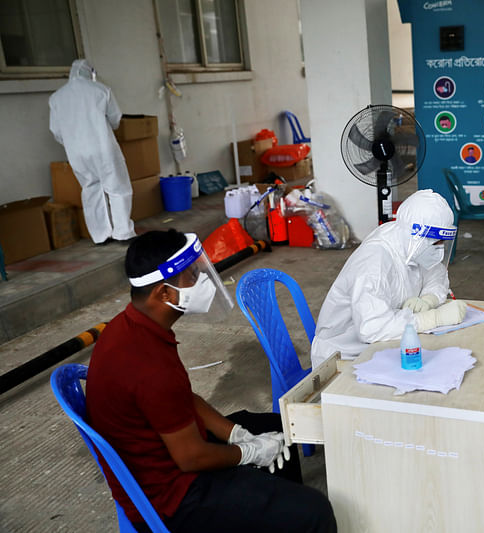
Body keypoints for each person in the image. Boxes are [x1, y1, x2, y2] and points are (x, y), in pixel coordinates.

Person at [86, 229, 336, 532]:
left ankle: (278, 509)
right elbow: (192, 457)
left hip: (164, 456)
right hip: (172, 497)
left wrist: (236, 434)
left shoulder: (132, 328)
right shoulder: (147, 365)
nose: (202, 280)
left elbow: (183, 399)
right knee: (314, 511)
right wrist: (249, 452)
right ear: (163, 294)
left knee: (274, 428)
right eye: (191, 275)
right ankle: (287, 511)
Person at [310, 189, 467, 368]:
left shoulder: (410, 243)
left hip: (383, 346)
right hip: (342, 358)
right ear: (416, 236)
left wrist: (429, 299)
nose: (439, 248)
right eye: (435, 243)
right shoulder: (375, 261)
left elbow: (436, 274)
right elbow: (372, 328)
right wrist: (432, 319)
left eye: (442, 243)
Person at [49, 59, 136, 245]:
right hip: (102, 147)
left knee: (90, 189)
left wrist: (72, 142)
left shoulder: (56, 97)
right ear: (89, 73)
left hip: (76, 152)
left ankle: (100, 235)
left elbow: (56, 131)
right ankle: (123, 233)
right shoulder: (101, 91)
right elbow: (115, 118)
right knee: (117, 187)